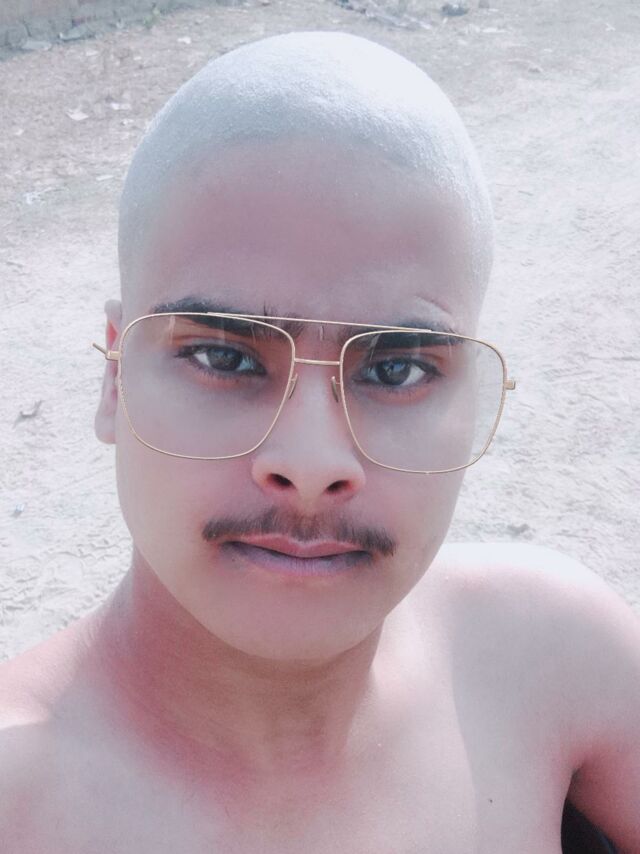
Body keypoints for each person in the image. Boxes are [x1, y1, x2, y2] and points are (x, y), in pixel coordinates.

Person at [0, 31, 637, 853]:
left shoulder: (549, 662)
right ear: (114, 379)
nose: (310, 465)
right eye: (225, 358)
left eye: (397, 370)